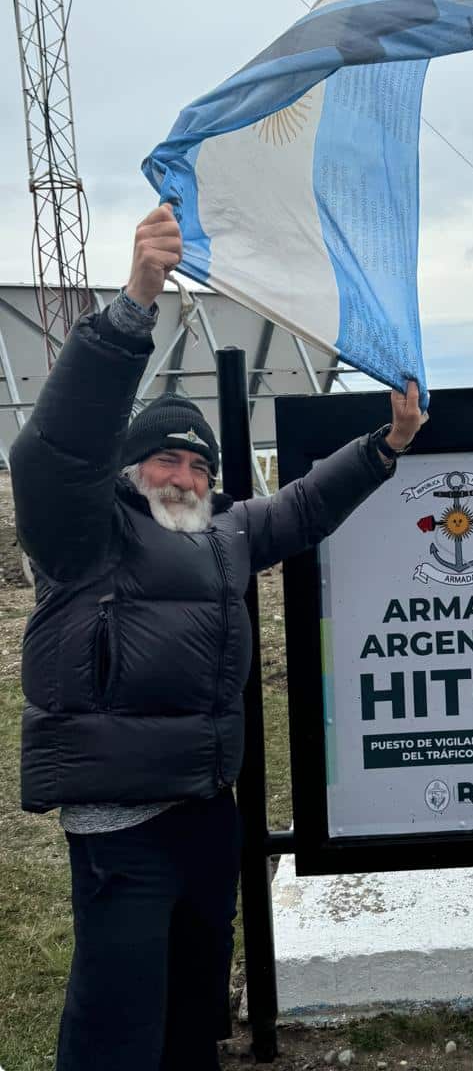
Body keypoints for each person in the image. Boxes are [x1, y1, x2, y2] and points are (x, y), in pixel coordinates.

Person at [10, 205, 426, 1071]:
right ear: (128, 469)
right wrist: (133, 306)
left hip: (208, 814)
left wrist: (386, 445)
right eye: (167, 459)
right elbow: (53, 453)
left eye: (200, 465)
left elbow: (304, 506)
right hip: (121, 824)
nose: (186, 475)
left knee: (194, 1010)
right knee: (116, 1025)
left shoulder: (226, 532)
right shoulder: (83, 534)